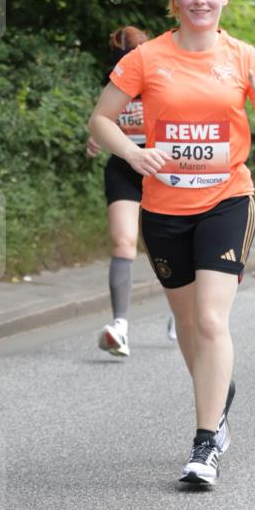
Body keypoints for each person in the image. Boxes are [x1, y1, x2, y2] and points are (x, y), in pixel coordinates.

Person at [89, 0, 255, 485]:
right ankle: (218, 392)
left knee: (209, 319)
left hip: (227, 200)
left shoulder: (245, 59)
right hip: (163, 208)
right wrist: (133, 153)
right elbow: (101, 120)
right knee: (186, 323)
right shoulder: (146, 58)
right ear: (175, 0)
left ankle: (206, 442)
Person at [87, 26, 178, 356]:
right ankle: (120, 328)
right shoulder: (116, 85)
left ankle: (181, 314)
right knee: (123, 241)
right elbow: (103, 121)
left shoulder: (164, 82)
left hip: (163, 169)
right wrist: (97, 137)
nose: (126, 66)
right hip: (125, 169)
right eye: (120, 62)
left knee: (170, 250)